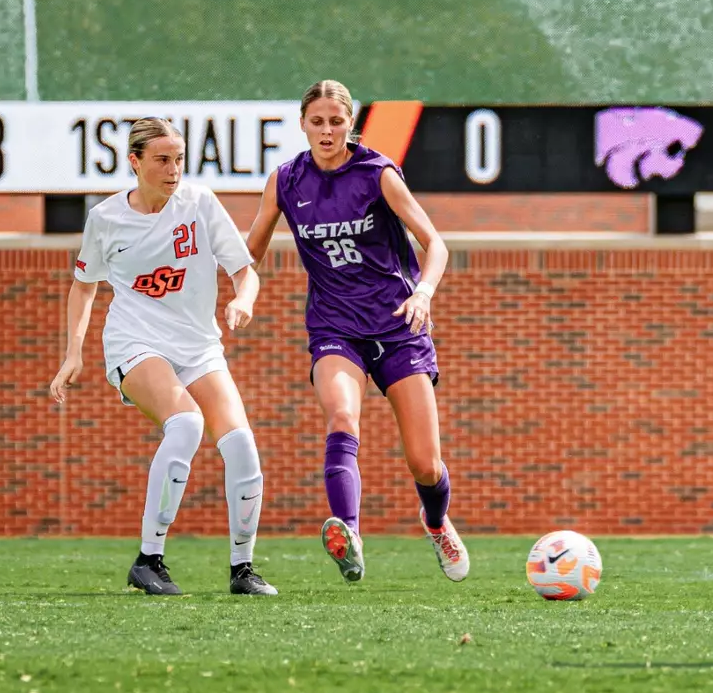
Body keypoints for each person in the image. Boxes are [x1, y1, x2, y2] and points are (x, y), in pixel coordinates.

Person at [245, 79, 469, 585]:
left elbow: (434, 243)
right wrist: (236, 288)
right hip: (335, 326)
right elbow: (248, 255)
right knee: (343, 415)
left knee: (425, 464)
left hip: (398, 326)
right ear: (303, 124)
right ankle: (349, 533)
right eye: (317, 122)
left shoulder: (378, 173)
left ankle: (436, 522)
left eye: (336, 121)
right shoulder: (285, 181)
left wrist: (424, 293)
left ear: (351, 123)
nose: (327, 131)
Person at [49, 118, 278, 597]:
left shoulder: (200, 203)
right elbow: (83, 287)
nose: (173, 169)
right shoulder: (106, 218)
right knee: (187, 423)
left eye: (178, 159)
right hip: (135, 341)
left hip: (198, 345)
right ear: (135, 162)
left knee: (241, 444)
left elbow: (244, 270)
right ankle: (148, 560)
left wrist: (243, 299)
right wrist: (73, 353)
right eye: (162, 160)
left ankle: (243, 569)